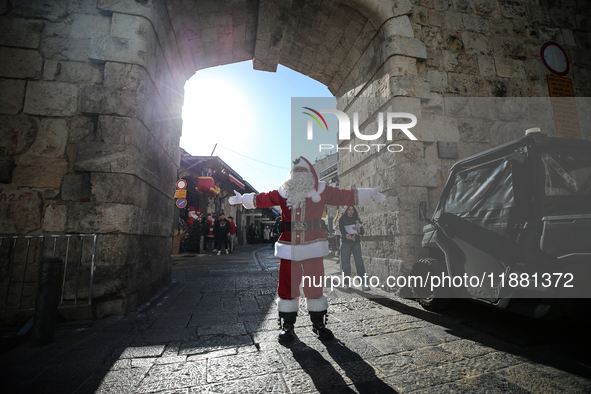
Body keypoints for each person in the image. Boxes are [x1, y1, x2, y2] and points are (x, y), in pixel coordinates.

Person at [229, 156, 385, 342]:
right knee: (287, 285)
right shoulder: (282, 192)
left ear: (310, 174)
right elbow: (264, 199)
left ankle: (318, 323)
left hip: (313, 245)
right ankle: (288, 326)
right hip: (289, 246)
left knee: (314, 284)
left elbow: (344, 195)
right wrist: (244, 199)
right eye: (295, 173)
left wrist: (368, 194)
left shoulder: (323, 190)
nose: (298, 176)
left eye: (302, 172)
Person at [339, 206, 369, 291]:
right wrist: (347, 235)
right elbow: (342, 230)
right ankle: (346, 283)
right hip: (346, 243)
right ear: (346, 211)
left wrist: (358, 230)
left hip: (356, 243)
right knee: (345, 264)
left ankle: (364, 283)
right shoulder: (342, 219)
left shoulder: (357, 219)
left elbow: (362, 232)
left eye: (352, 209)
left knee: (359, 263)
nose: (351, 211)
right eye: (349, 209)